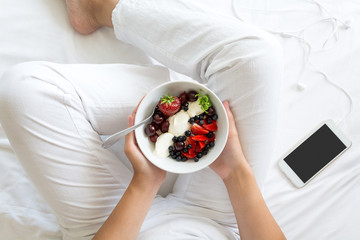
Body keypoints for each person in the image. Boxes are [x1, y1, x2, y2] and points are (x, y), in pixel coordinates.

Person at [0, 0, 286, 239]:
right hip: (217, 220)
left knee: (23, 89)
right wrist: (236, 173)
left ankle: (177, 87)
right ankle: (103, 9)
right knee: (256, 56)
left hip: (111, 226)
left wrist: (145, 183)